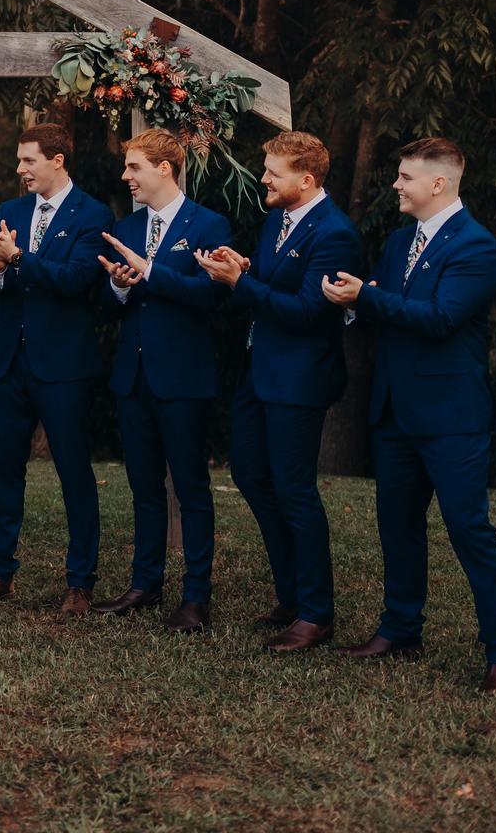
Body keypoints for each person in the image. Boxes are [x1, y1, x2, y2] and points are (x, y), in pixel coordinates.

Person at [322, 138, 496, 694]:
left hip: (451, 415)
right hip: (394, 411)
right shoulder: (397, 241)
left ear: (439, 183)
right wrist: (351, 302)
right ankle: (400, 630)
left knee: (468, 528)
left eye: (406, 176)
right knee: (397, 525)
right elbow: (387, 313)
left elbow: (439, 318)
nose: (396, 185)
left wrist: (367, 297)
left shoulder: (476, 247)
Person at [197, 131, 363, 653]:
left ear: (306, 180)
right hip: (260, 370)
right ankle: (291, 594)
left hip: (299, 378)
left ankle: (316, 613)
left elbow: (310, 313)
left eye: (273, 172)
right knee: (248, 472)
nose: (263, 178)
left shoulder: (335, 233)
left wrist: (238, 284)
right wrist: (245, 266)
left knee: (295, 491)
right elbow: (278, 283)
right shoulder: (278, 219)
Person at [93, 129, 233, 633]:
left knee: (191, 488)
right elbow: (107, 307)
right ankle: (145, 584)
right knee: (143, 485)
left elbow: (211, 296)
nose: (125, 176)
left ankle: (196, 597)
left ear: (164, 169)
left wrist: (150, 271)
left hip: (184, 377)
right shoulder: (124, 227)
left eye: (133, 167)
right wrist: (118, 284)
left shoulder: (209, 224)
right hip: (132, 376)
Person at [0, 123, 111, 613]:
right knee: (5, 469)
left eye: (28, 160)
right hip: (10, 361)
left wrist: (18, 257)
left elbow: (75, 280)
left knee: (74, 470)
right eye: (19, 160)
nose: (20, 169)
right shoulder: (11, 210)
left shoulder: (93, 214)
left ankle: (81, 580)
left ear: (57, 160)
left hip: (64, 365)